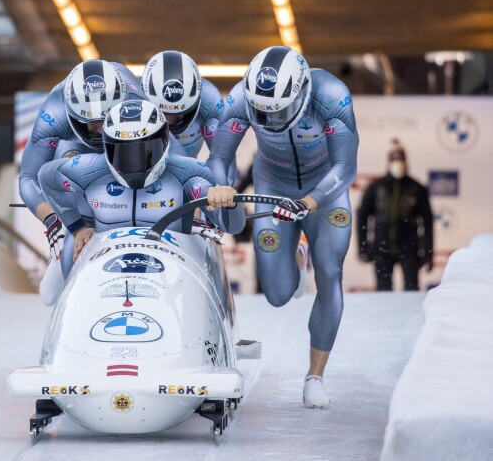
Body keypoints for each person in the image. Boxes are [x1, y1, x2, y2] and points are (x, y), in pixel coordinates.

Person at [207, 46, 359, 408]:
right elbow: (219, 157)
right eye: (263, 113)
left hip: (325, 190)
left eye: (281, 111)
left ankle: (315, 377)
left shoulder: (332, 97)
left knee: (330, 271)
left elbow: (345, 167)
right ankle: (296, 255)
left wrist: (311, 201)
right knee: (277, 294)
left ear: (303, 94)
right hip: (273, 185)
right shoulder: (242, 98)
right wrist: (221, 185)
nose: (272, 120)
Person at [37, 99, 246, 276]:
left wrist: (227, 202)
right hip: (104, 268)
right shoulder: (89, 168)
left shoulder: (188, 172)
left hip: (171, 271)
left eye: (145, 151)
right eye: (123, 153)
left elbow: (232, 226)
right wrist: (77, 226)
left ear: (164, 143)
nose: (134, 162)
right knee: (51, 293)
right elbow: (47, 177)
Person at [140, 50, 237, 184]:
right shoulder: (133, 98)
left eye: (177, 114)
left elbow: (222, 158)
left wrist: (222, 190)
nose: (168, 121)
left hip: (186, 173)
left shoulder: (210, 101)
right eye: (162, 113)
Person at [357, 141, 433, 291]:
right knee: (383, 291)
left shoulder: (417, 188)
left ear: (406, 162)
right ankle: (384, 315)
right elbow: (362, 217)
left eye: (401, 160)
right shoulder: (376, 187)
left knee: (411, 289)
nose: (398, 164)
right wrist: (363, 246)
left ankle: (412, 315)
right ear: (389, 162)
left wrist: (428, 252)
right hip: (381, 247)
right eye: (394, 160)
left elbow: (428, 223)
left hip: (409, 246)